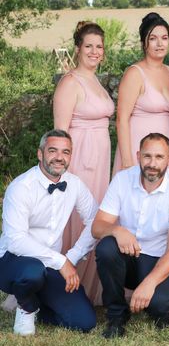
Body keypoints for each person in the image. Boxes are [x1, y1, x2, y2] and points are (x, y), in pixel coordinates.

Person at [92, 133, 169, 338]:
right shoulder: (122, 180)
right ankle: (117, 316)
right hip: (127, 256)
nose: (152, 163)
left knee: (159, 307)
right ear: (138, 156)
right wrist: (117, 230)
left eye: (159, 157)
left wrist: (149, 284)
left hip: (158, 259)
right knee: (106, 247)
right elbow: (97, 227)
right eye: (147, 156)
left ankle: (158, 307)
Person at [0, 130, 97, 335]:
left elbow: (94, 222)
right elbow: (16, 241)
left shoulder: (75, 184)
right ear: (40, 153)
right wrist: (61, 262)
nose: (59, 157)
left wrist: (72, 256)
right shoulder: (21, 187)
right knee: (32, 272)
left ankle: (37, 304)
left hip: (51, 265)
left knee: (84, 322)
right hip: (12, 260)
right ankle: (26, 307)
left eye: (66, 152)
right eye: (52, 151)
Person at [53, 21, 115, 305]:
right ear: (77, 49)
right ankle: (64, 286)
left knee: (97, 218)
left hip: (101, 158)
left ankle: (92, 287)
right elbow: (60, 132)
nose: (94, 51)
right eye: (88, 46)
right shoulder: (70, 82)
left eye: (99, 47)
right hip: (81, 159)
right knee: (78, 218)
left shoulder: (96, 81)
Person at [113, 12, 169, 177]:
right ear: (144, 43)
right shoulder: (134, 74)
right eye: (153, 38)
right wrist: (127, 160)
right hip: (139, 148)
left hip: (167, 148)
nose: (160, 43)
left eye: (164, 38)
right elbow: (121, 119)